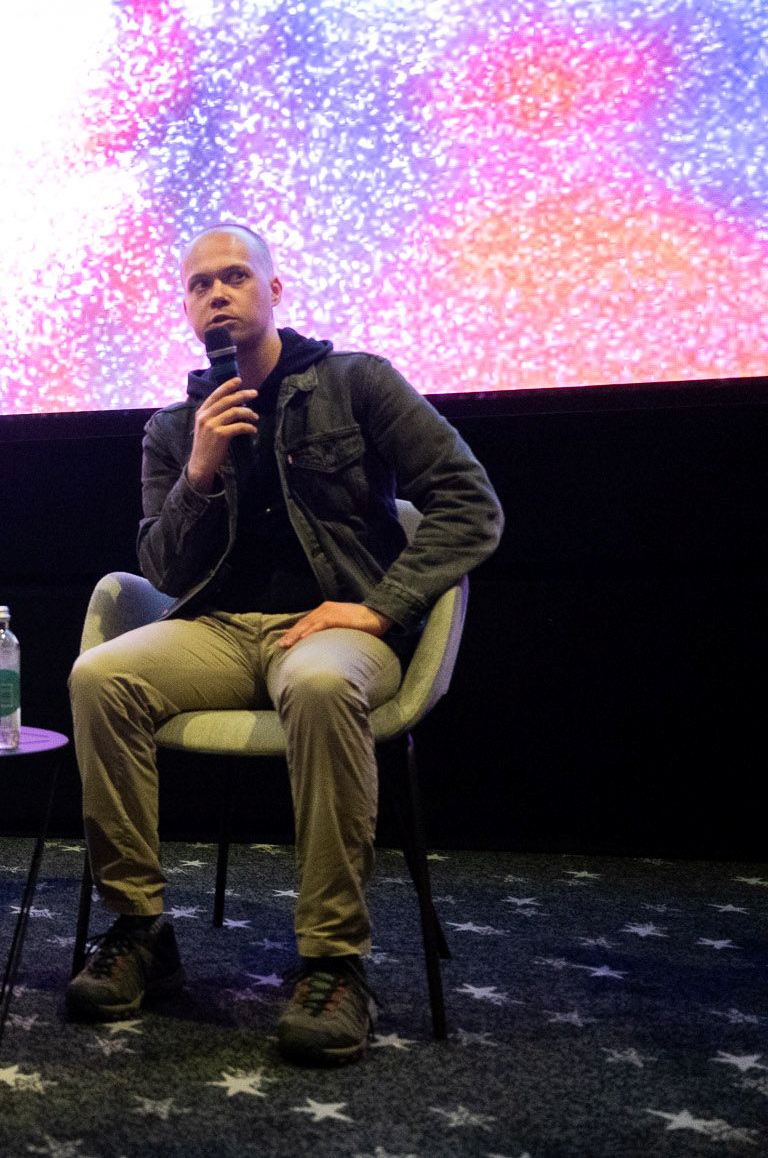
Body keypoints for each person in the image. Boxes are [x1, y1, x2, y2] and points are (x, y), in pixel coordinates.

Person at [66, 224, 502, 1064]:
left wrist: (381, 609)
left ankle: (334, 962)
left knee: (318, 683)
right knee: (99, 677)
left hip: (335, 629)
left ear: (273, 289)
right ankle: (141, 928)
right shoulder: (173, 427)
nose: (217, 294)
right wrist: (198, 471)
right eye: (200, 285)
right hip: (221, 631)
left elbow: (470, 503)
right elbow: (162, 569)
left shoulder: (356, 382)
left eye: (234, 277)